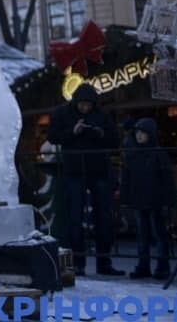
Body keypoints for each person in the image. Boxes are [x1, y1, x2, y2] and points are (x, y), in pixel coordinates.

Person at [47, 83, 123, 276]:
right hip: (74, 170)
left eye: (88, 105)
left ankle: (103, 262)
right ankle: (77, 263)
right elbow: (53, 136)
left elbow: (114, 140)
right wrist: (73, 132)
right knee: (75, 217)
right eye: (82, 105)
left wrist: (100, 133)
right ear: (76, 102)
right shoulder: (63, 113)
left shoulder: (102, 115)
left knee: (103, 217)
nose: (85, 108)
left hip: (98, 169)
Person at [120, 118, 174, 280]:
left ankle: (162, 266)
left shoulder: (158, 154)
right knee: (142, 233)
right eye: (137, 133)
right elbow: (127, 177)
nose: (139, 136)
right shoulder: (133, 154)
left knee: (158, 233)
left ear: (150, 134)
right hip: (139, 197)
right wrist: (126, 197)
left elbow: (166, 179)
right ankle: (144, 265)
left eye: (143, 133)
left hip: (155, 198)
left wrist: (167, 199)